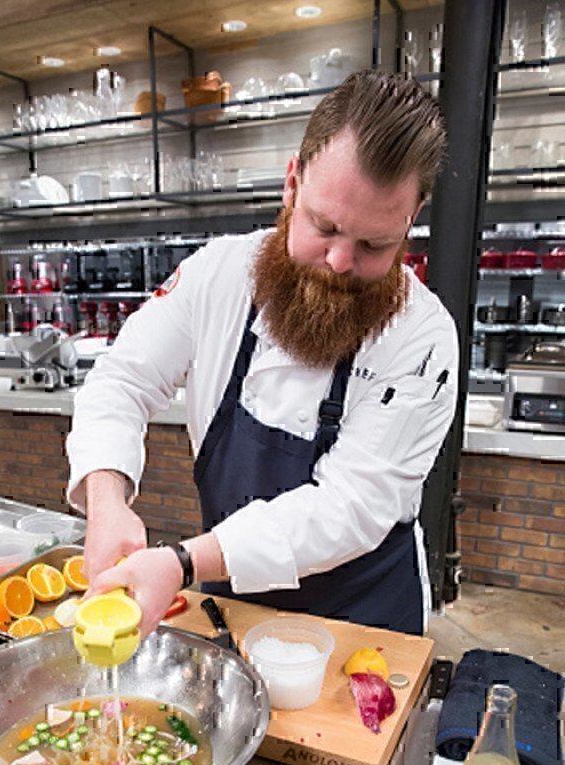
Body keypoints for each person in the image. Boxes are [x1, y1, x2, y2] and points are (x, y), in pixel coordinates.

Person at [67, 69, 458, 638]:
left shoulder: (423, 337)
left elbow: (349, 507)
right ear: (291, 183)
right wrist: (107, 499)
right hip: (234, 607)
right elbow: (122, 380)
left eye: (374, 244)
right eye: (324, 226)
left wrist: (180, 563)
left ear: (409, 221)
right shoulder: (219, 274)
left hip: (364, 622)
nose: (340, 262)